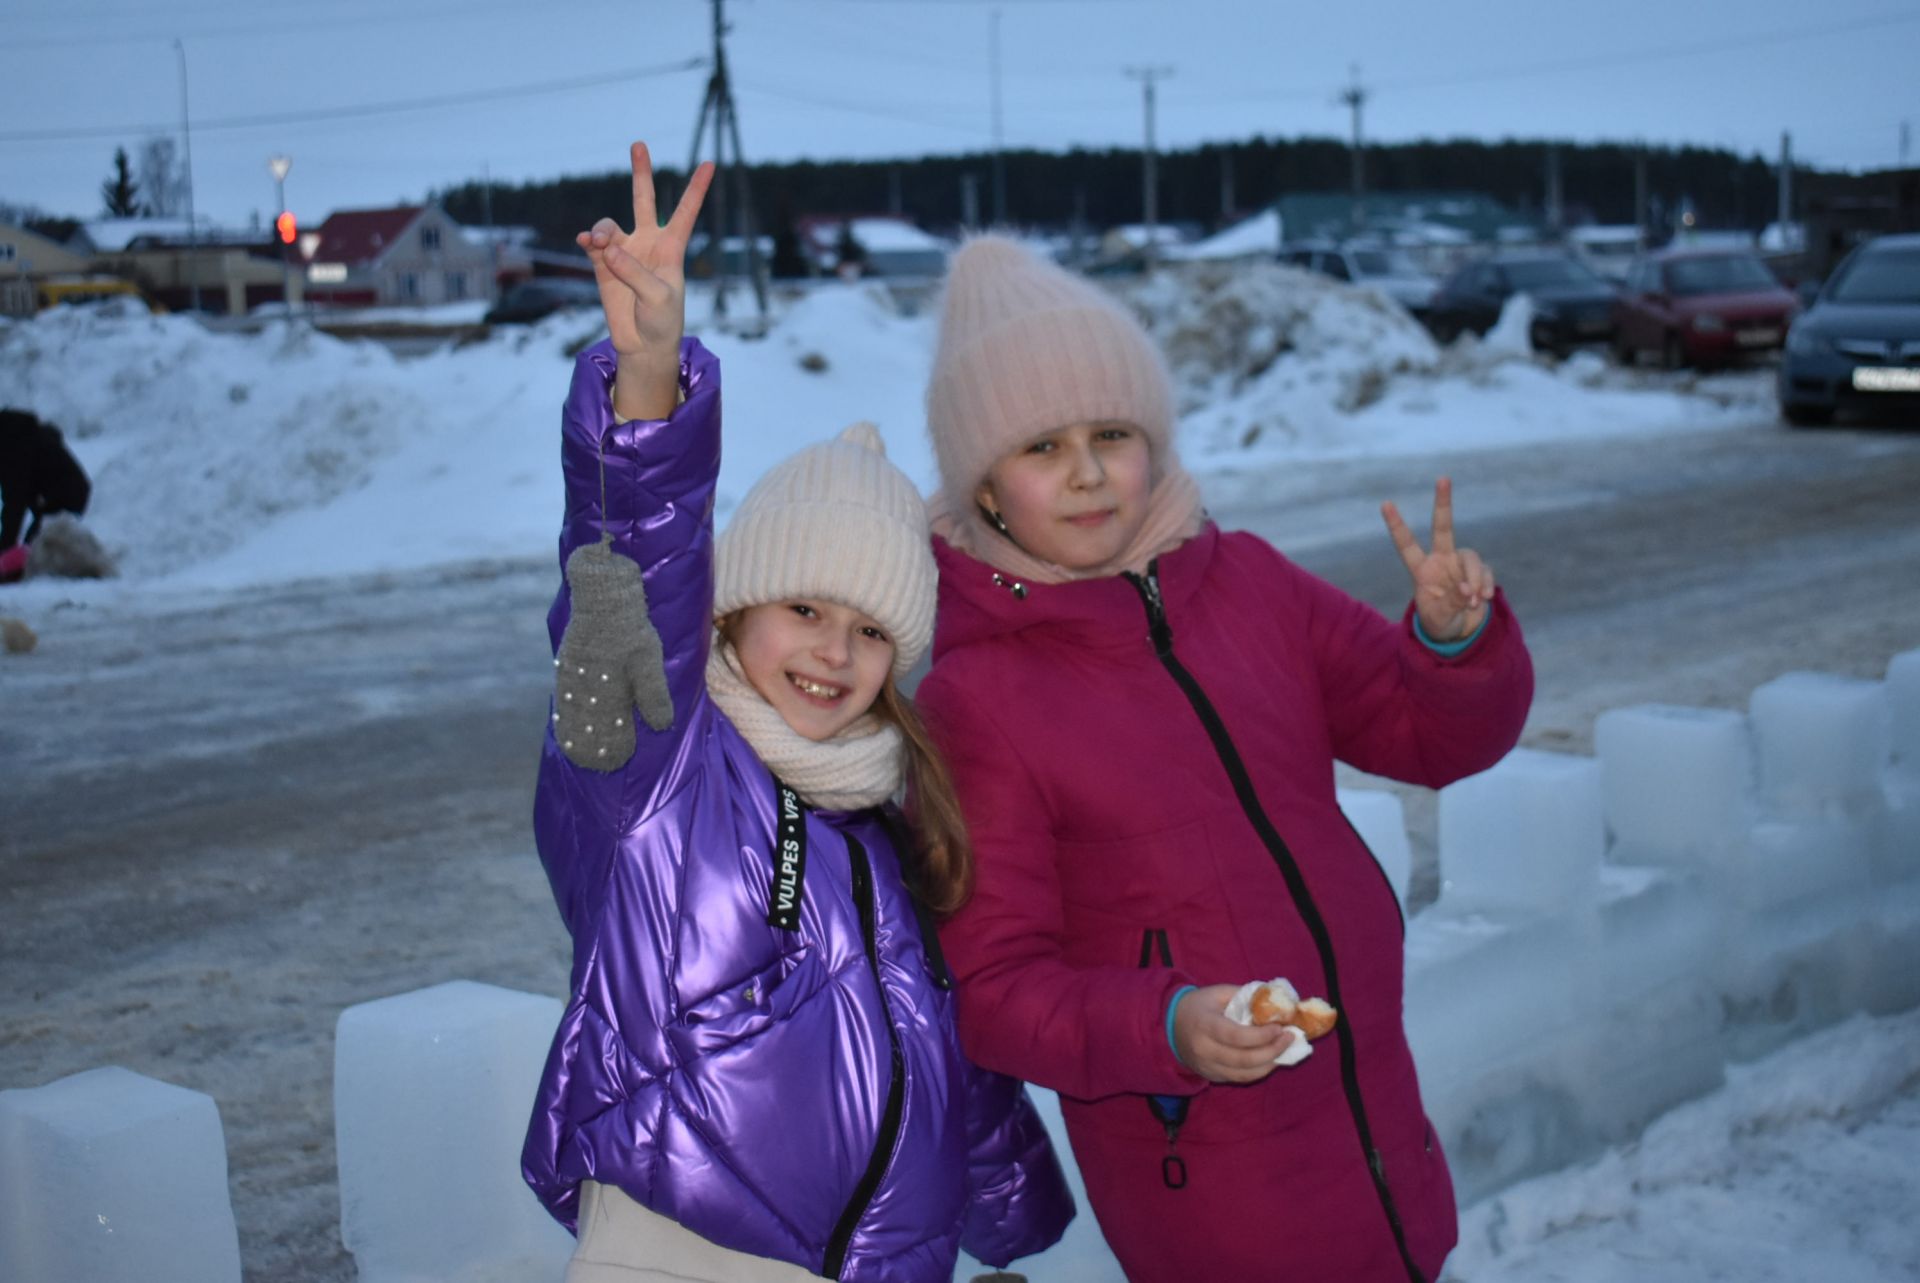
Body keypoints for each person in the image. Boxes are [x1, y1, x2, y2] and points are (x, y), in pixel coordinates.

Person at [913, 236, 1536, 1283]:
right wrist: (1166, 1027)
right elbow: (996, 991)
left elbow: (1432, 736)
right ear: (983, 491)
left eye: (1112, 431)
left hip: (1374, 1117)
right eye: (1041, 447)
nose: (1086, 472)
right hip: (1204, 1167)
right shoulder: (977, 697)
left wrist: (1448, 644)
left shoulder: (1248, 582)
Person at [520, 147, 1071, 1283]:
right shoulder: (652, 775)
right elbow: (623, 576)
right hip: (681, 1256)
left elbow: (936, 1044)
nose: (833, 650)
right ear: (730, 615)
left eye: (870, 630)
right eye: (803, 608)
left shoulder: (883, 816)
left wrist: (1019, 1216)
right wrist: (648, 383)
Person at [0, 408, 93, 582]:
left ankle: (54, 575)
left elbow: (15, 501)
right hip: (64, 493)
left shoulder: (12, 445)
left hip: (65, 495)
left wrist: (4, 549)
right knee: (35, 544)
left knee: (37, 547)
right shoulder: (18, 433)